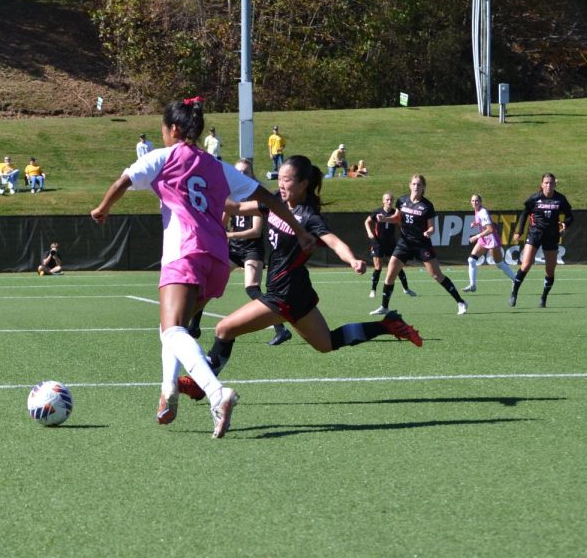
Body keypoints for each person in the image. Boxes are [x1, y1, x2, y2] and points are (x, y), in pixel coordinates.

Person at [91, 97, 316, 438]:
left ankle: (216, 393)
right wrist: (299, 231)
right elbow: (269, 199)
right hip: (216, 257)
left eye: (164, 129)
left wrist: (102, 208)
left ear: (175, 129)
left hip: (185, 252)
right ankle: (168, 393)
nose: (163, 135)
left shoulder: (162, 157)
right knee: (173, 328)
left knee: (172, 331)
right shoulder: (216, 166)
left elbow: (124, 180)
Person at [177, 155, 422, 404]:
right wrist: (206, 193)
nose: (281, 184)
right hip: (297, 292)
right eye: (279, 178)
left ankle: (200, 385)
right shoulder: (275, 203)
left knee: (224, 329)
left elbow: (333, 240)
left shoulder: (309, 217)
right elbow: (236, 208)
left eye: (286, 179)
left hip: (284, 293)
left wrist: (352, 260)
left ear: (303, 184)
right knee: (327, 343)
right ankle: (387, 325)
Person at [189, 158, 291, 346]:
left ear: (252, 175)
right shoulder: (232, 195)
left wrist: (229, 234)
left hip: (252, 249)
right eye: (239, 172)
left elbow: (256, 231)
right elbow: (222, 220)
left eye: (246, 172)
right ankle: (194, 327)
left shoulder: (258, 198)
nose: (241, 176)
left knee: (252, 289)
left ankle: (281, 328)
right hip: (234, 250)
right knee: (209, 284)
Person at [370, 174, 469, 316]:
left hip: (421, 244)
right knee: (390, 274)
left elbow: (432, 227)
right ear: (410, 185)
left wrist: (429, 232)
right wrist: (385, 218)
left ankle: (461, 302)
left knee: (436, 275)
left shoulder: (427, 205)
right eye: (414, 184)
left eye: (419, 185)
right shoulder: (402, 201)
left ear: (423, 188)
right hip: (404, 243)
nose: (416, 187)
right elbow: (397, 217)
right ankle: (384, 307)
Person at [508, 172, 574, 308]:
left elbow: (570, 216)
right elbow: (525, 213)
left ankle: (543, 297)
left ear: (555, 184)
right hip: (535, 234)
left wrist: (565, 224)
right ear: (542, 184)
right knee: (525, 265)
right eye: (546, 183)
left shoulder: (560, 199)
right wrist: (519, 231)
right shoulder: (535, 198)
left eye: (551, 183)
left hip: (552, 236)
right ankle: (514, 293)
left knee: (550, 270)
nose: (549, 185)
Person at [363, 193, 416, 300]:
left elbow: (400, 225)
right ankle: (373, 290)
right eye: (387, 200)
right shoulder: (377, 212)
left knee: (397, 267)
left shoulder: (395, 213)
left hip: (391, 244)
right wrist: (369, 233)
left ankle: (406, 289)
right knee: (378, 268)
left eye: (391, 199)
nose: (389, 201)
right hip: (378, 243)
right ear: (383, 201)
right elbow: (367, 222)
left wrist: (406, 234)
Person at [464, 193, 518, 291]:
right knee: (471, 260)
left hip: (492, 240)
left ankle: (515, 280)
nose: (474, 202)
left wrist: (476, 236)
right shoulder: (477, 210)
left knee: (499, 264)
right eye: (472, 201)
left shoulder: (483, 212)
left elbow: (490, 229)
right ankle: (473, 285)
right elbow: (479, 220)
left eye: (476, 201)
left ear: (480, 202)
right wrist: (475, 223)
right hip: (484, 239)